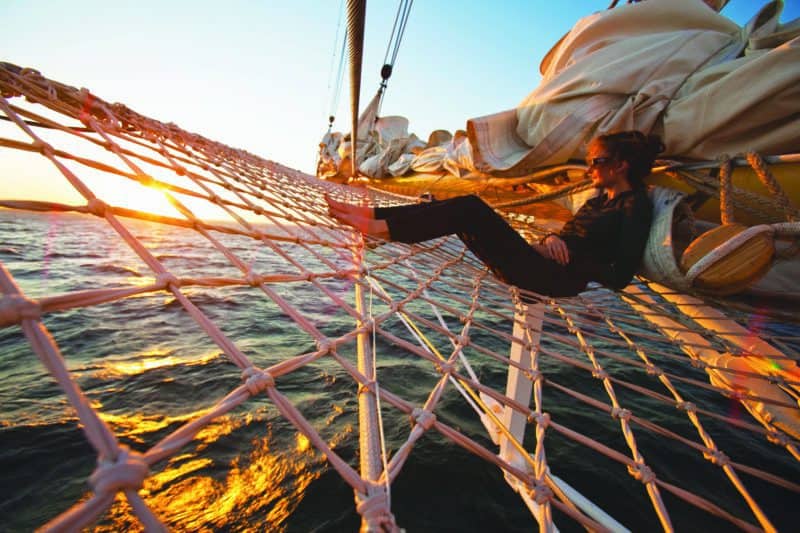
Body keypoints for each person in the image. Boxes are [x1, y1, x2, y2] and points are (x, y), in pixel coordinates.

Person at [326, 131, 663, 297]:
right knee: (458, 209)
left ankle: (379, 227)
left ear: (622, 166)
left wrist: (569, 256)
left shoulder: (635, 206)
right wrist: (551, 238)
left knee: (470, 208)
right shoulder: (596, 202)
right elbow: (567, 233)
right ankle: (374, 216)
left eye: (597, 161)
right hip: (536, 260)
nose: (589, 168)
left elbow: (620, 277)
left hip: (555, 278)